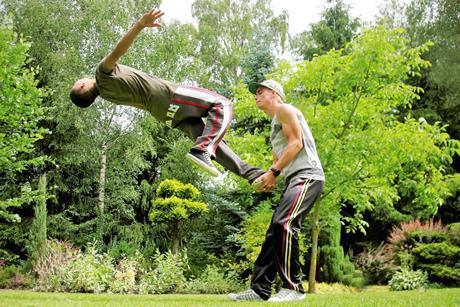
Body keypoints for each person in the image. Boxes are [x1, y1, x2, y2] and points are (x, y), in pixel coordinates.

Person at [69, 8, 263, 182]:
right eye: (77, 82)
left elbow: (139, 105)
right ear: (83, 85)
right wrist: (140, 25)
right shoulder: (101, 74)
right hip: (168, 95)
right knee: (223, 105)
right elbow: (118, 51)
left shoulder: (107, 96)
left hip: (163, 114)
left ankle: (251, 174)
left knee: (207, 136)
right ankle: (203, 150)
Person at [228, 80, 325, 302]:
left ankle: (294, 287)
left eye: (260, 92)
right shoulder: (274, 125)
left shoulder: (284, 109)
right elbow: (279, 161)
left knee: (285, 224)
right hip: (295, 179)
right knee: (274, 231)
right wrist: (269, 179)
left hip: (309, 176)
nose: (256, 96)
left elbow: (296, 144)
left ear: (274, 93)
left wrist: (273, 171)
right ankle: (259, 289)